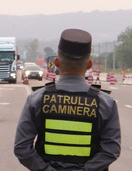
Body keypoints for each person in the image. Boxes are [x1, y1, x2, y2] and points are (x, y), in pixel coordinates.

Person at [14, 28, 121, 171]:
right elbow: (111, 149)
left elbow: (21, 148)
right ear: (89, 65)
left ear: (57, 62)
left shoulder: (37, 99)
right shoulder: (105, 102)